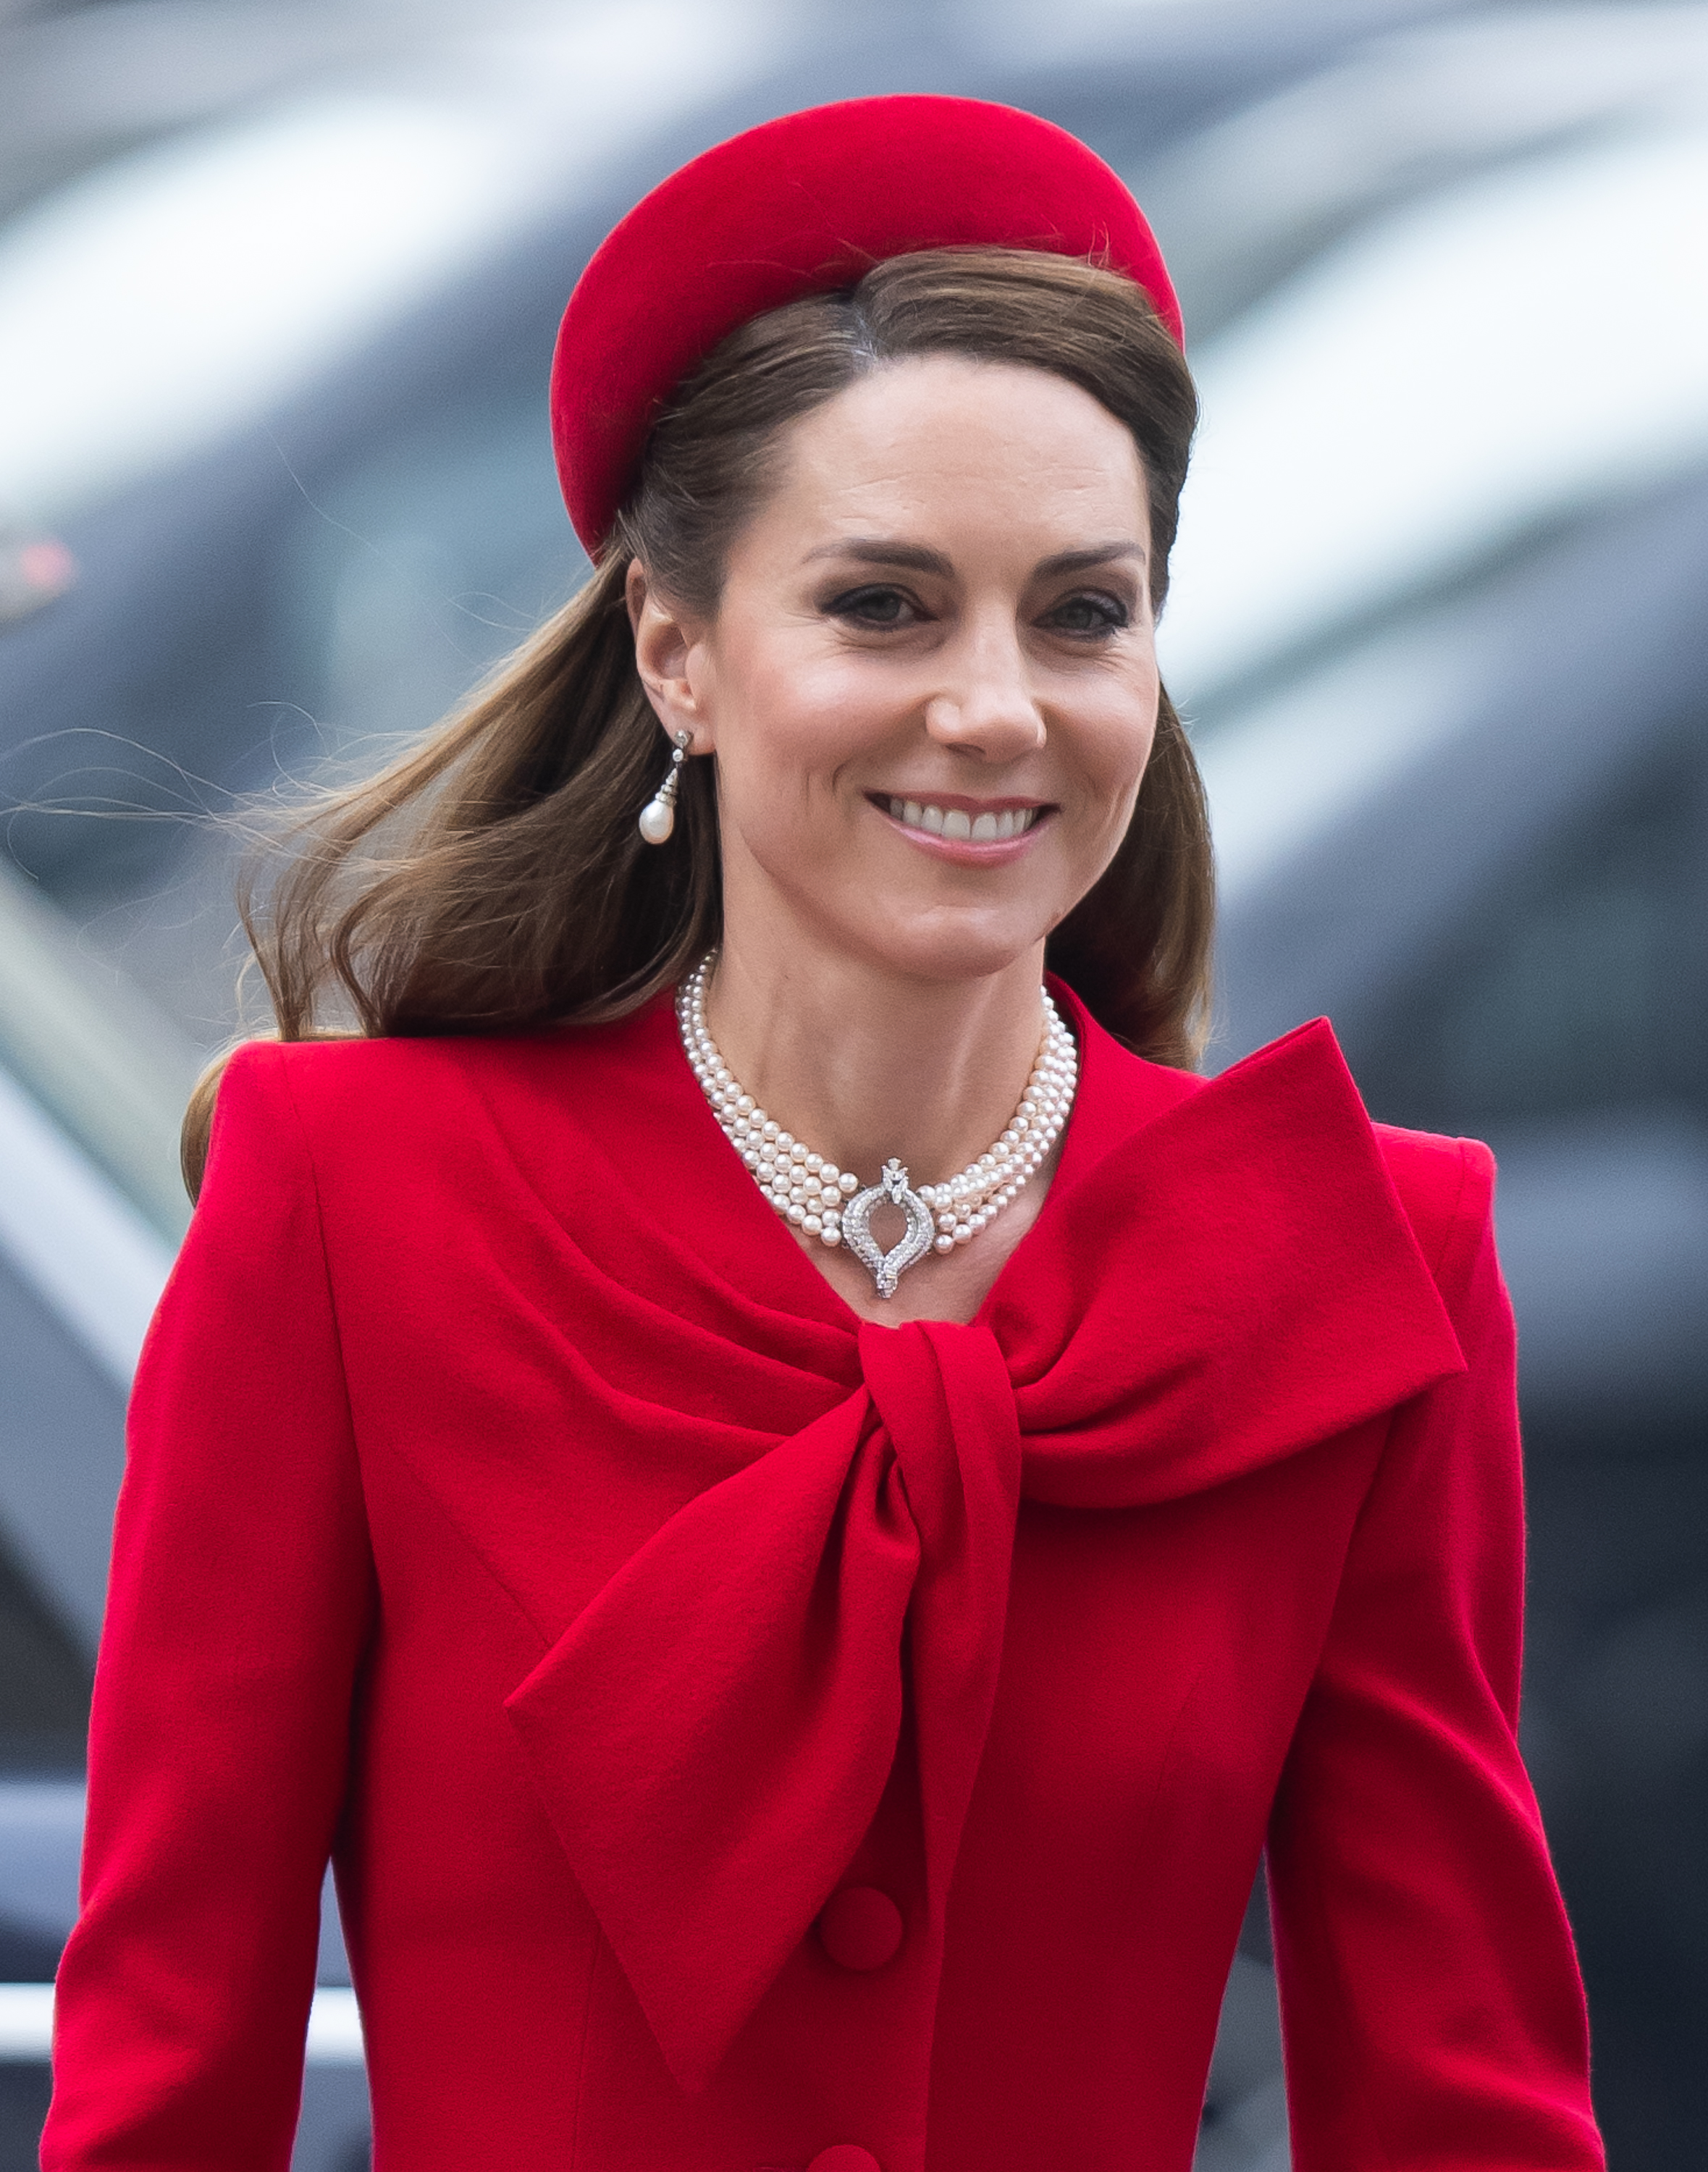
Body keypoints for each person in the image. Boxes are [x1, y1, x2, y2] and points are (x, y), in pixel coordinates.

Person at [43, 96, 1605, 2172]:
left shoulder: (1354, 1265)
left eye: (1080, 613)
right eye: (884, 608)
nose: (996, 706)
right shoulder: (353, 1197)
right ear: (678, 650)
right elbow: (169, 2072)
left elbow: (1460, 2101)